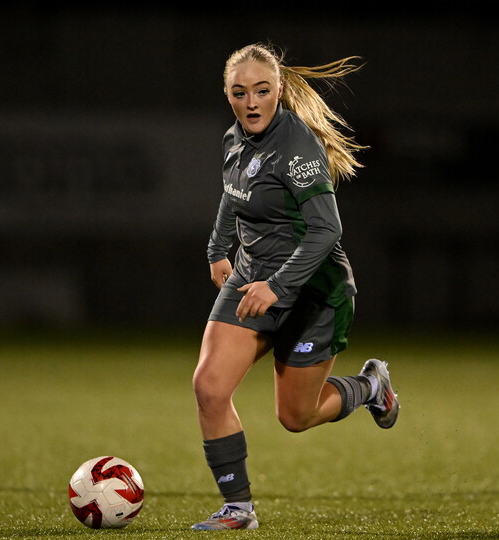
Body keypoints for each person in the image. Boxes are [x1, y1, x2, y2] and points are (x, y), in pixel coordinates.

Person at [190, 43, 399, 530]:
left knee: (296, 417)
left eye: (262, 91)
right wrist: (217, 249)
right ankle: (237, 509)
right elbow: (233, 192)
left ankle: (370, 386)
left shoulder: (296, 146)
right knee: (209, 387)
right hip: (252, 277)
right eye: (240, 93)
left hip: (313, 292)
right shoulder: (235, 139)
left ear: (278, 90)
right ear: (228, 95)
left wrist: (278, 288)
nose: (251, 102)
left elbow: (327, 231)